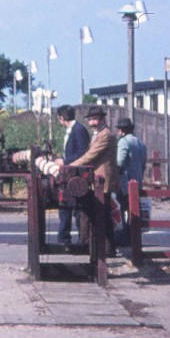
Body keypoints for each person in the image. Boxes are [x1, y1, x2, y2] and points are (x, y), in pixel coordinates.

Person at [64, 106, 119, 248]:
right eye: (90, 120)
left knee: (102, 216)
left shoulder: (105, 135)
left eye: (95, 119)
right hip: (96, 181)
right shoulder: (98, 134)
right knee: (91, 214)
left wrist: (68, 167)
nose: (92, 123)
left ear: (103, 119)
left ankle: (103, 248)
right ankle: (89, 245)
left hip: (103, 182)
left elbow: (89, 156)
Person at [55, 105, 91, 244]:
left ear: (61, 118)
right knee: (65, 206)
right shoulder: (73, 130)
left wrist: (64, 161)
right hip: (69, 173)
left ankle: (81, 239)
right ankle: (64, 238)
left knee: (76, 208)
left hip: (77, 174)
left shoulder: (78, 130)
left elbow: (82, 153)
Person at [115, 119, 148, 245]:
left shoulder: (123, 142)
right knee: (133, 210)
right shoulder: (141, 143)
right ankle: (134, 237)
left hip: (125, 182)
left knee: (122, 209)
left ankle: (125, 237)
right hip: (138, 181)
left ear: (121, 130)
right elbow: (143, 164)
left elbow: (120, 162)